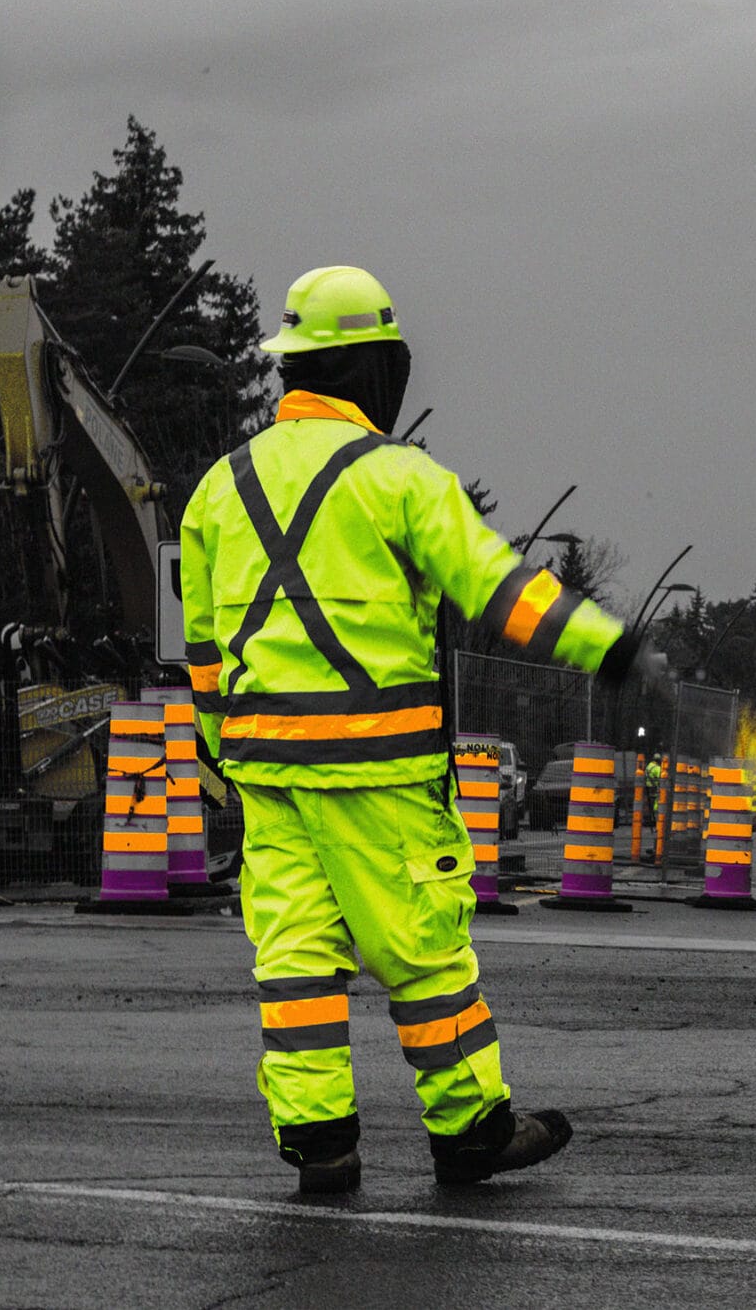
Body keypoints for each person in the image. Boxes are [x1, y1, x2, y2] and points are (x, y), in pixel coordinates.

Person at [180, 265, 659, 1194]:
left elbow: (203, 655)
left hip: (270, 781)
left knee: (295, 966)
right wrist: (610, 645)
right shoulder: (402, 480)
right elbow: (502, 591)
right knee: (426, 956)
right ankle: (469, 1127)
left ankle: (321, 1141)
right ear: (374, 369)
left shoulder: (216, 491)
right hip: (381, 779)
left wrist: (221, 754)